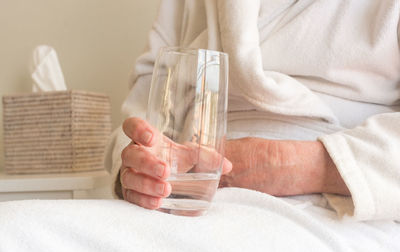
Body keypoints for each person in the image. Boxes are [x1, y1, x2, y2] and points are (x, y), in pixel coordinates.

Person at [105, 0, 400, 221]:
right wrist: (138, 167)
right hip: (181, 190)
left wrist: (286, 164)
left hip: (337, 200)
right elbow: (148, 94)